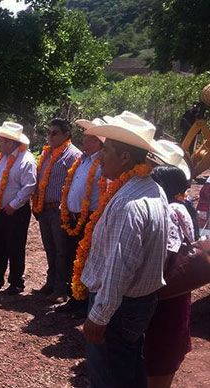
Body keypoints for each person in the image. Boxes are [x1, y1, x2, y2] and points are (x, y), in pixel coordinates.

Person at [80, 111, 169, 387]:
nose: (99, 156)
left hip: (119, 307)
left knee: (110, 376)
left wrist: (99, 315)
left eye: (106, 150)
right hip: (137, 303)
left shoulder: (127, 203)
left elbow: (120, 265)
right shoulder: (153, 189)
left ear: (126, 158)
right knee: (128, 369)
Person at [145, 145, 196, 388]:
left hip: (165, 293)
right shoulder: (182, 207)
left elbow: (166, 254)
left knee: (160, 349)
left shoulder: (171, 211)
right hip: (177, 290)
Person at [0, 121, 36, 294]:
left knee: (15, 246)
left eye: (1, 140)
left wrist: (13, 204)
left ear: (10, 142)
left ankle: (16, 282)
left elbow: (29, 186)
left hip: (15, 211)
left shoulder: (26, 160)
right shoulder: (2, 157)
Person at [56, 118, 105, 317]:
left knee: (84, 260)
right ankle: (73, 296)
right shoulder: (82, 160)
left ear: (98, 142)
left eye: (88, 139)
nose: (83, 142)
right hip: (73, 217)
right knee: (71, 257)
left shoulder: (101, 164)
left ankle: (83, 302)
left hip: (89, 218)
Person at [31, 118, 82, 303]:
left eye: (55, 133)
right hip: (44, 209)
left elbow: (75, 184)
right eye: (48, 132)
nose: (50, 136)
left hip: (60, 211)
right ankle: (51, 282)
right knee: (50, 249)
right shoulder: (46, 153)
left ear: (66, 134)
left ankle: (61, 288)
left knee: (62, 251)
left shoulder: (73, 155)